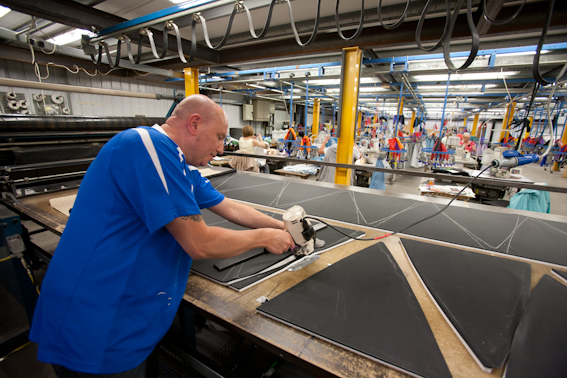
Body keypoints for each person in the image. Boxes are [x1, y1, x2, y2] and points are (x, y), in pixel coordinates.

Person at [29, 94, 294, 377]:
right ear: (194, 123)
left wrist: (281, 226)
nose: (220, 149)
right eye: (218, 137)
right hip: (99, 324)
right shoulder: (147, 146)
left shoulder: (180, 167)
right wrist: (264, 238)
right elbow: (199, 242)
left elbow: (227, 206)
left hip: (128, 320)